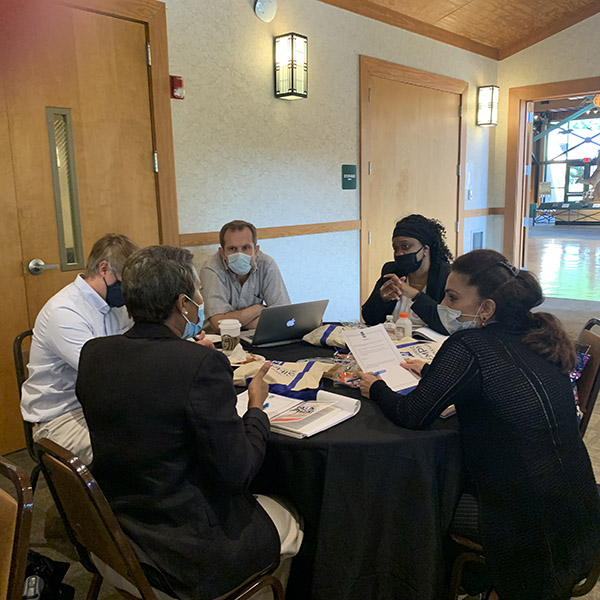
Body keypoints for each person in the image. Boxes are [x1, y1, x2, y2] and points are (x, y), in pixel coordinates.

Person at [358, 249, 600, 600]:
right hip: (579, 510)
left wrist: (375, 387)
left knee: (420, 503)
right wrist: (434, 372)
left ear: (486, 308)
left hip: (526, 525)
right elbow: (503, 378)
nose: (443, 303)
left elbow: (412, 415)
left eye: (453, 297)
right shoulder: (538, 333)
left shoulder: (469, 345)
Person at [76, 245, 303, 600]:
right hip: (185, 554)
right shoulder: (197, 365)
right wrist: (257, 408)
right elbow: (237, 473)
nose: (200, 299)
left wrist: (197, 361)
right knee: (294, 514)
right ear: (182, 304)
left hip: (115, 534)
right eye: (197, 291)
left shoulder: (94, 353)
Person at [21, 233, 139, 465]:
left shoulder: (114, 305)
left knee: (167, 433)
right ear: (104, 269)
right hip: (60, 417)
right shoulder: (65, 312)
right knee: (136, 449)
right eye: (126, 281)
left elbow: (136, 346)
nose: (129, 290)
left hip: (102, 405)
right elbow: (105, 373)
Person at [361, 214, 452, 333]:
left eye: (405, 247)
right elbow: (369, 319)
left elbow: (448, 324)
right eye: (395, 249)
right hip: (394, 342)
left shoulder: (446, 276)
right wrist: (381, 299)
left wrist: (414, 295)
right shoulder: (392, 271)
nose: (399, 254)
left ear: (425, 249)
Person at [201, 219, 290, 331]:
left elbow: (283, 315)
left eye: (246, 248)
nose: (239, 254)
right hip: (220, 339)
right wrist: (258, 309)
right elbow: (218, 325)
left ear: (256, 250)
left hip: (256, 334)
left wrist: (236, 322)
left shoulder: (266, 264)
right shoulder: (211, 269)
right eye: (232, 249)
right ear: (222, 253)